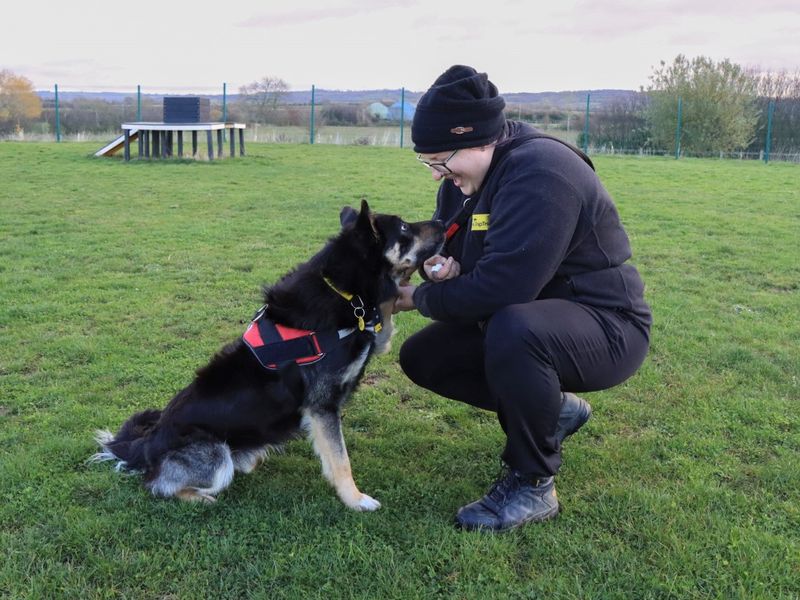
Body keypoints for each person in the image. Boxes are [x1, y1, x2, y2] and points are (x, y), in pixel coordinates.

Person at [394, 65, 652, 532]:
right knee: (424, 356)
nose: (437, 175)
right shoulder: (465, 180)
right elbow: (456, 241)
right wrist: (442, 265)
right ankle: (556, 410)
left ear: (476, 140)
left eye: (439, 161)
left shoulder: (542, 172)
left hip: (608, 324)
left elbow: (506, 286)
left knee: (517, 328)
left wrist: (416, 299)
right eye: (427, 164)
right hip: (531, 316)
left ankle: (533, 484)